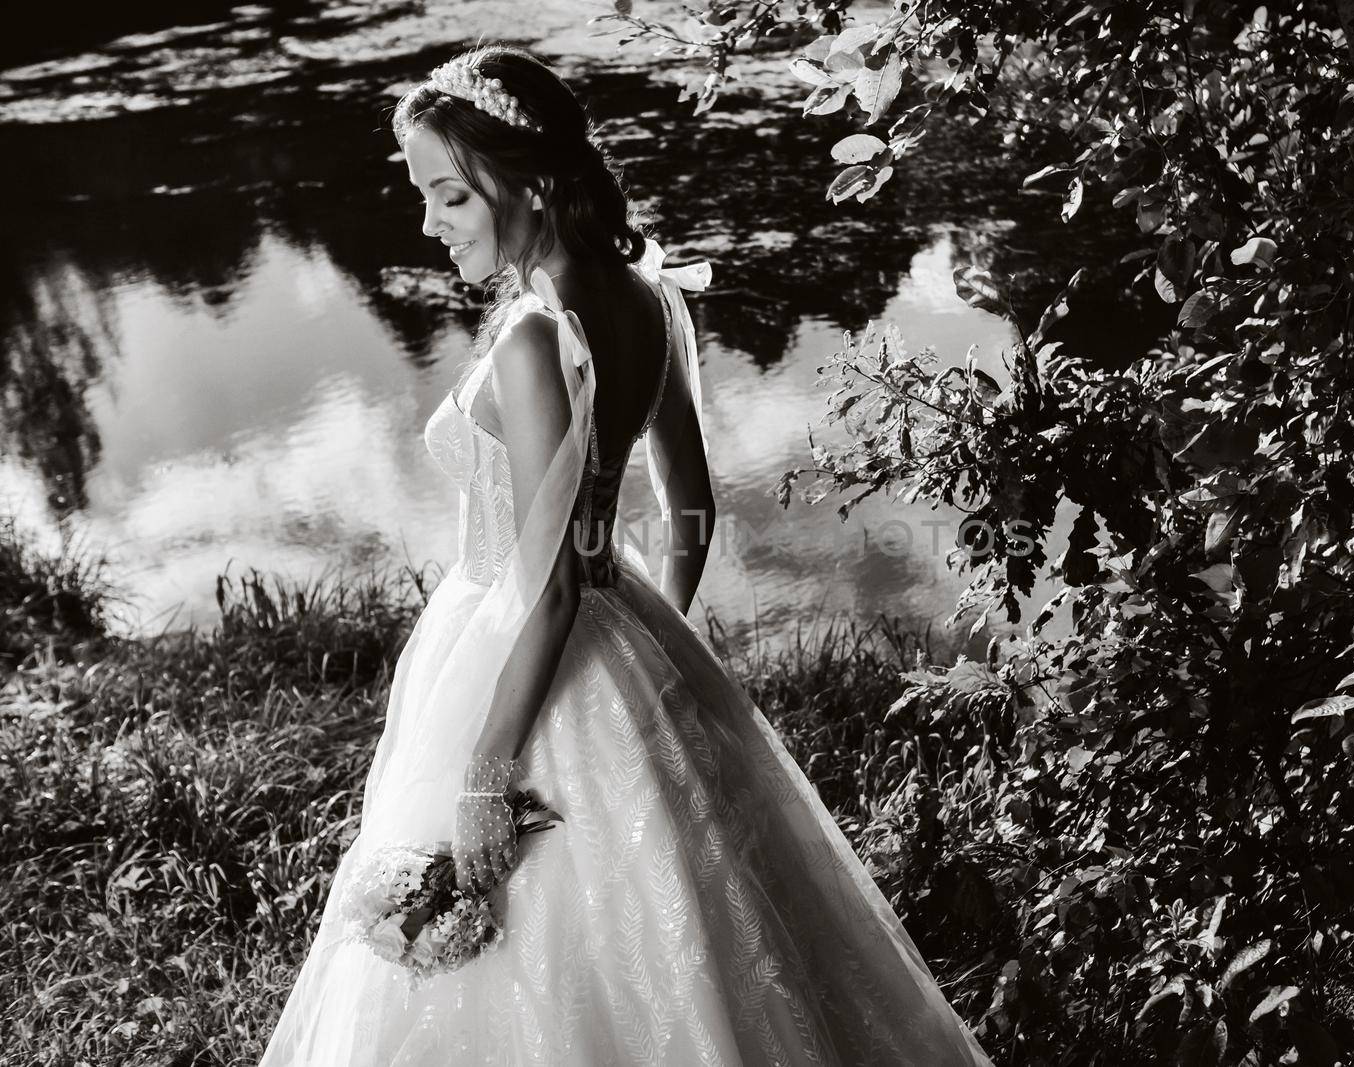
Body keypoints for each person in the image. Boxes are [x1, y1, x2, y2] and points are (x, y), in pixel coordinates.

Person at [259, 43, 995, 1066]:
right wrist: (654, 652)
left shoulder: (529, 336)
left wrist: (485, 772)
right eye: (423, 195)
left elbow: (550, 582)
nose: (428, 224)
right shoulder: (647, 298)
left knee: (528, 940)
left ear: (526, 179)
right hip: (622, 625)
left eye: (449, 196)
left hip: (517, 640)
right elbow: (688, 505)